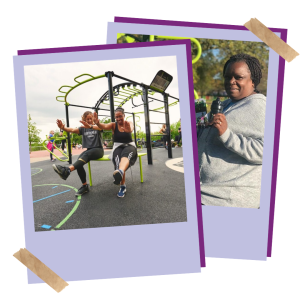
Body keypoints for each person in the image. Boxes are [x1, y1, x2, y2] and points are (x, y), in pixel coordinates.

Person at [197, 53, 266, 208]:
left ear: (253, 80)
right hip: (208, 192)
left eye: (238, 77)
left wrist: (227, 135)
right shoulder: (228, 103)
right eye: (227, 77)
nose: (231, 82)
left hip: (228, 199)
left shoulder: (260, 107)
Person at [81, 108, 137, 198]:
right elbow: (104, 126)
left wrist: (129, 129)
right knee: (118, 161)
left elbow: (131, 127)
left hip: (129, 145)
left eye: (120, 116)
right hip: (117, 146)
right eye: (116, 117)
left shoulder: (128, 123)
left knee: (125, 154)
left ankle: (121, 174)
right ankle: (122, 185)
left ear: (124, 115)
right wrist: (97, 123)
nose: (118, 118)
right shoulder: (113, 125)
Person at [52, 111, 104, 196]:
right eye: (88, 119)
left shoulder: (97, 126)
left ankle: (67, 170)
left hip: (98, 150)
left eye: (91, 118)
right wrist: (63, 128)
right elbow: (72, 129)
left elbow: (101, 128)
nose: (90, 120)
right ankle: (84, 186)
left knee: (86, 155)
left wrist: (92, 125)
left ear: (93, 119)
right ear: (84, 119)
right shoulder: (83, 128)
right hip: (89, 151)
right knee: (79, 161)